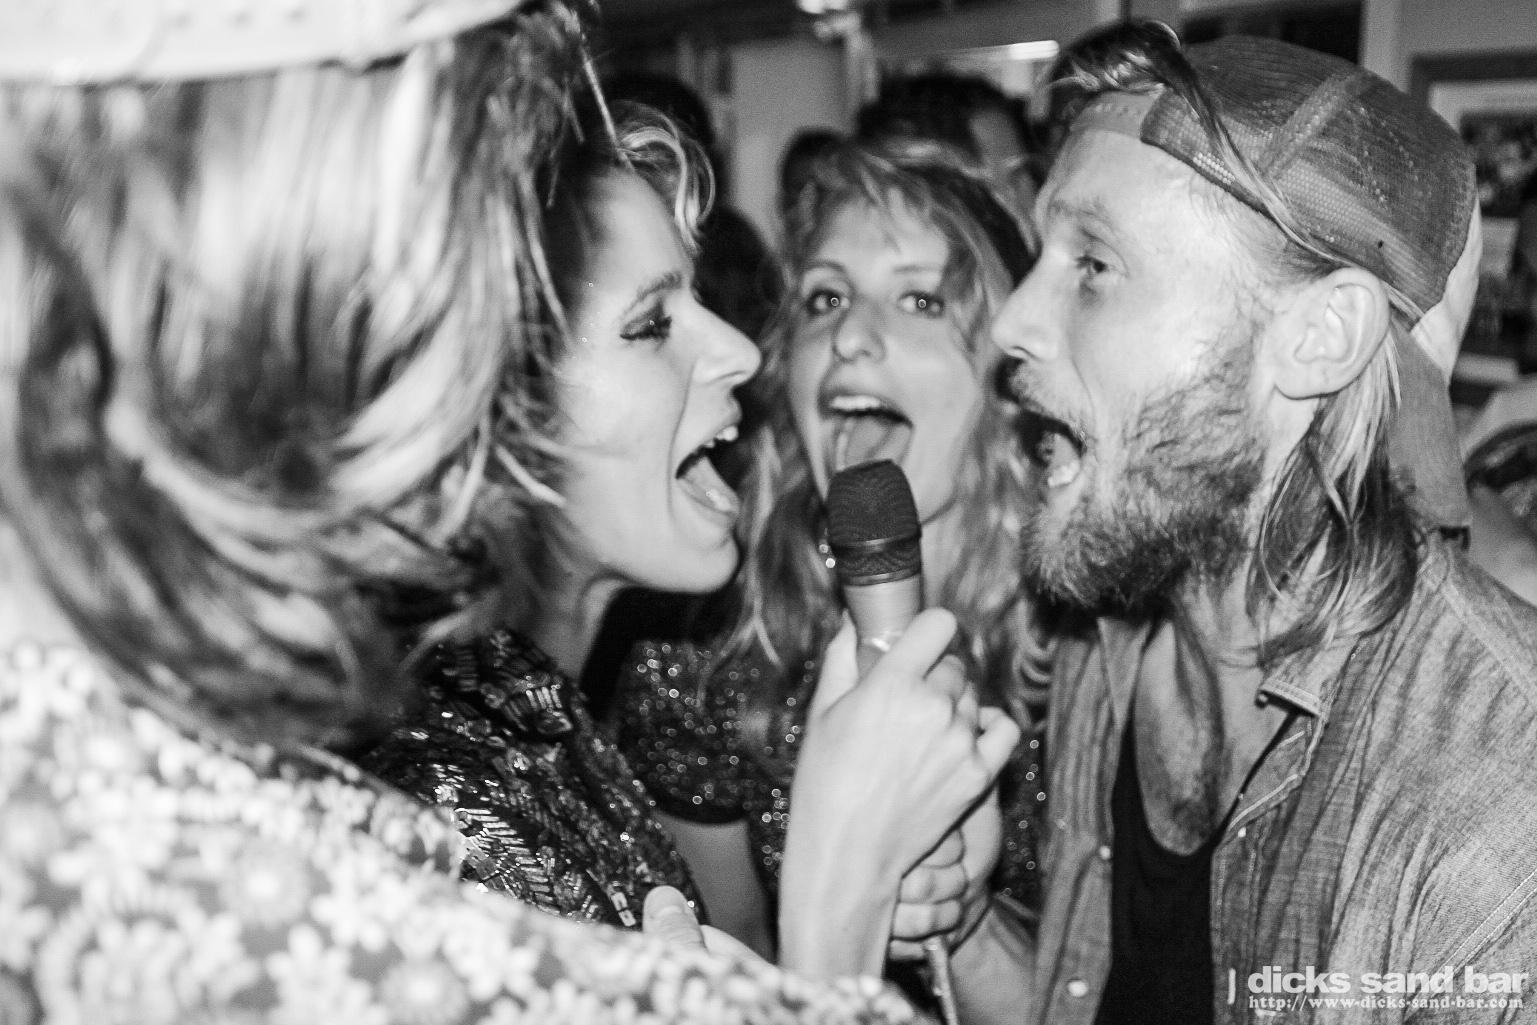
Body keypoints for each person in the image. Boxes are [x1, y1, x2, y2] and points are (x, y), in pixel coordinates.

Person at [0, 1, 997, 1020]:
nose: (744, 350)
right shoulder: (338, 824)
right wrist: (837, 900)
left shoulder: (530, 703)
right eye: (649, 324)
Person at [978, 20, 1537, 1025]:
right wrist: (961, 919)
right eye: (1039, 257)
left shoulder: (1501, 806)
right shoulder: (1103, 639)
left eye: (1092, 265)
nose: (1010, 321)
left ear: (1319, 337)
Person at [613, 137, 1046, 977]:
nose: (849, 335)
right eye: (824, 297)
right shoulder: (703, 662)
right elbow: (741, 979)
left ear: (1008, 376)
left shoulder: (1099, 648)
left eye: (920, 299)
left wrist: (962, 919)